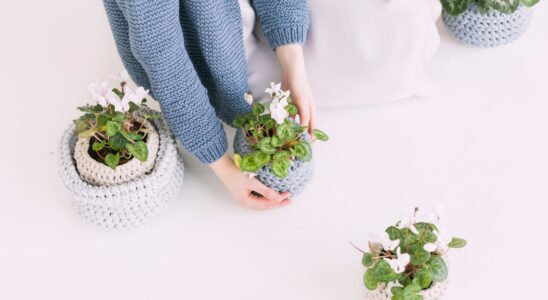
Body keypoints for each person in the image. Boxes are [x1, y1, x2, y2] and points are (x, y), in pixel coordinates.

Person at [102, 0, 315, 210]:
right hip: (204, 70)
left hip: (256, 34)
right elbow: (163, 57)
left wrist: (293, 64)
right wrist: (223, 166)